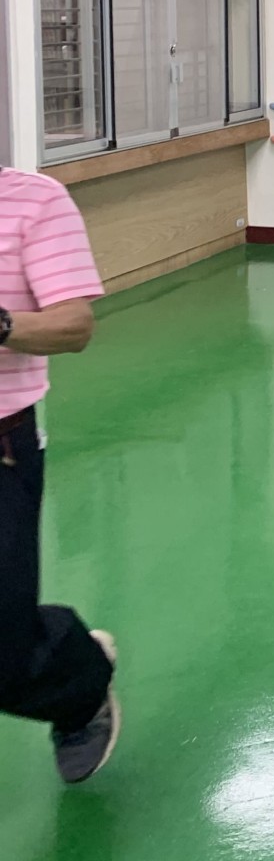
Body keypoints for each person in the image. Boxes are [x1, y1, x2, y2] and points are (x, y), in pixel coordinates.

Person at [0, 169, 116, 785]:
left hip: (3, 443)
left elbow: (73, 326)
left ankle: (80, 685)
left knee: (4, 652)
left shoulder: (32, 201)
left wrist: (2, 324)